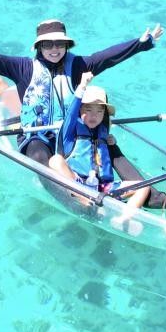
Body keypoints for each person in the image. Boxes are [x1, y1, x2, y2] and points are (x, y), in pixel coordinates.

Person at [0, 19, 166, 209]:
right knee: (39, 156)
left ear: (66, 45)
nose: (54, 49)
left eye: (59, 44)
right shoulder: (23, 67)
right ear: (39, 46)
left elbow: (108, 57)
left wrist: (141, 44)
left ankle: (151, 195)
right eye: (48, 44)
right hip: (36, 135)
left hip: (69, 132)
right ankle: (72, 200)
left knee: (107, 145)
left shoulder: (79, 65)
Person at [48, 72, 151, 222]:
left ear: (104, 114)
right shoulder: (70, 133)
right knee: (55, 160)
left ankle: (122, 219)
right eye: (88, 110)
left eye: (99, 111)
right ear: (80, 110)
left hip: (104, 188)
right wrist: (83, 85)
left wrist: (111, 142)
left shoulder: (104, 133)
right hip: (79, 185)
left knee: (143, 187)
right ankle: (85, 202)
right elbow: (71, 112)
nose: (93, 116)